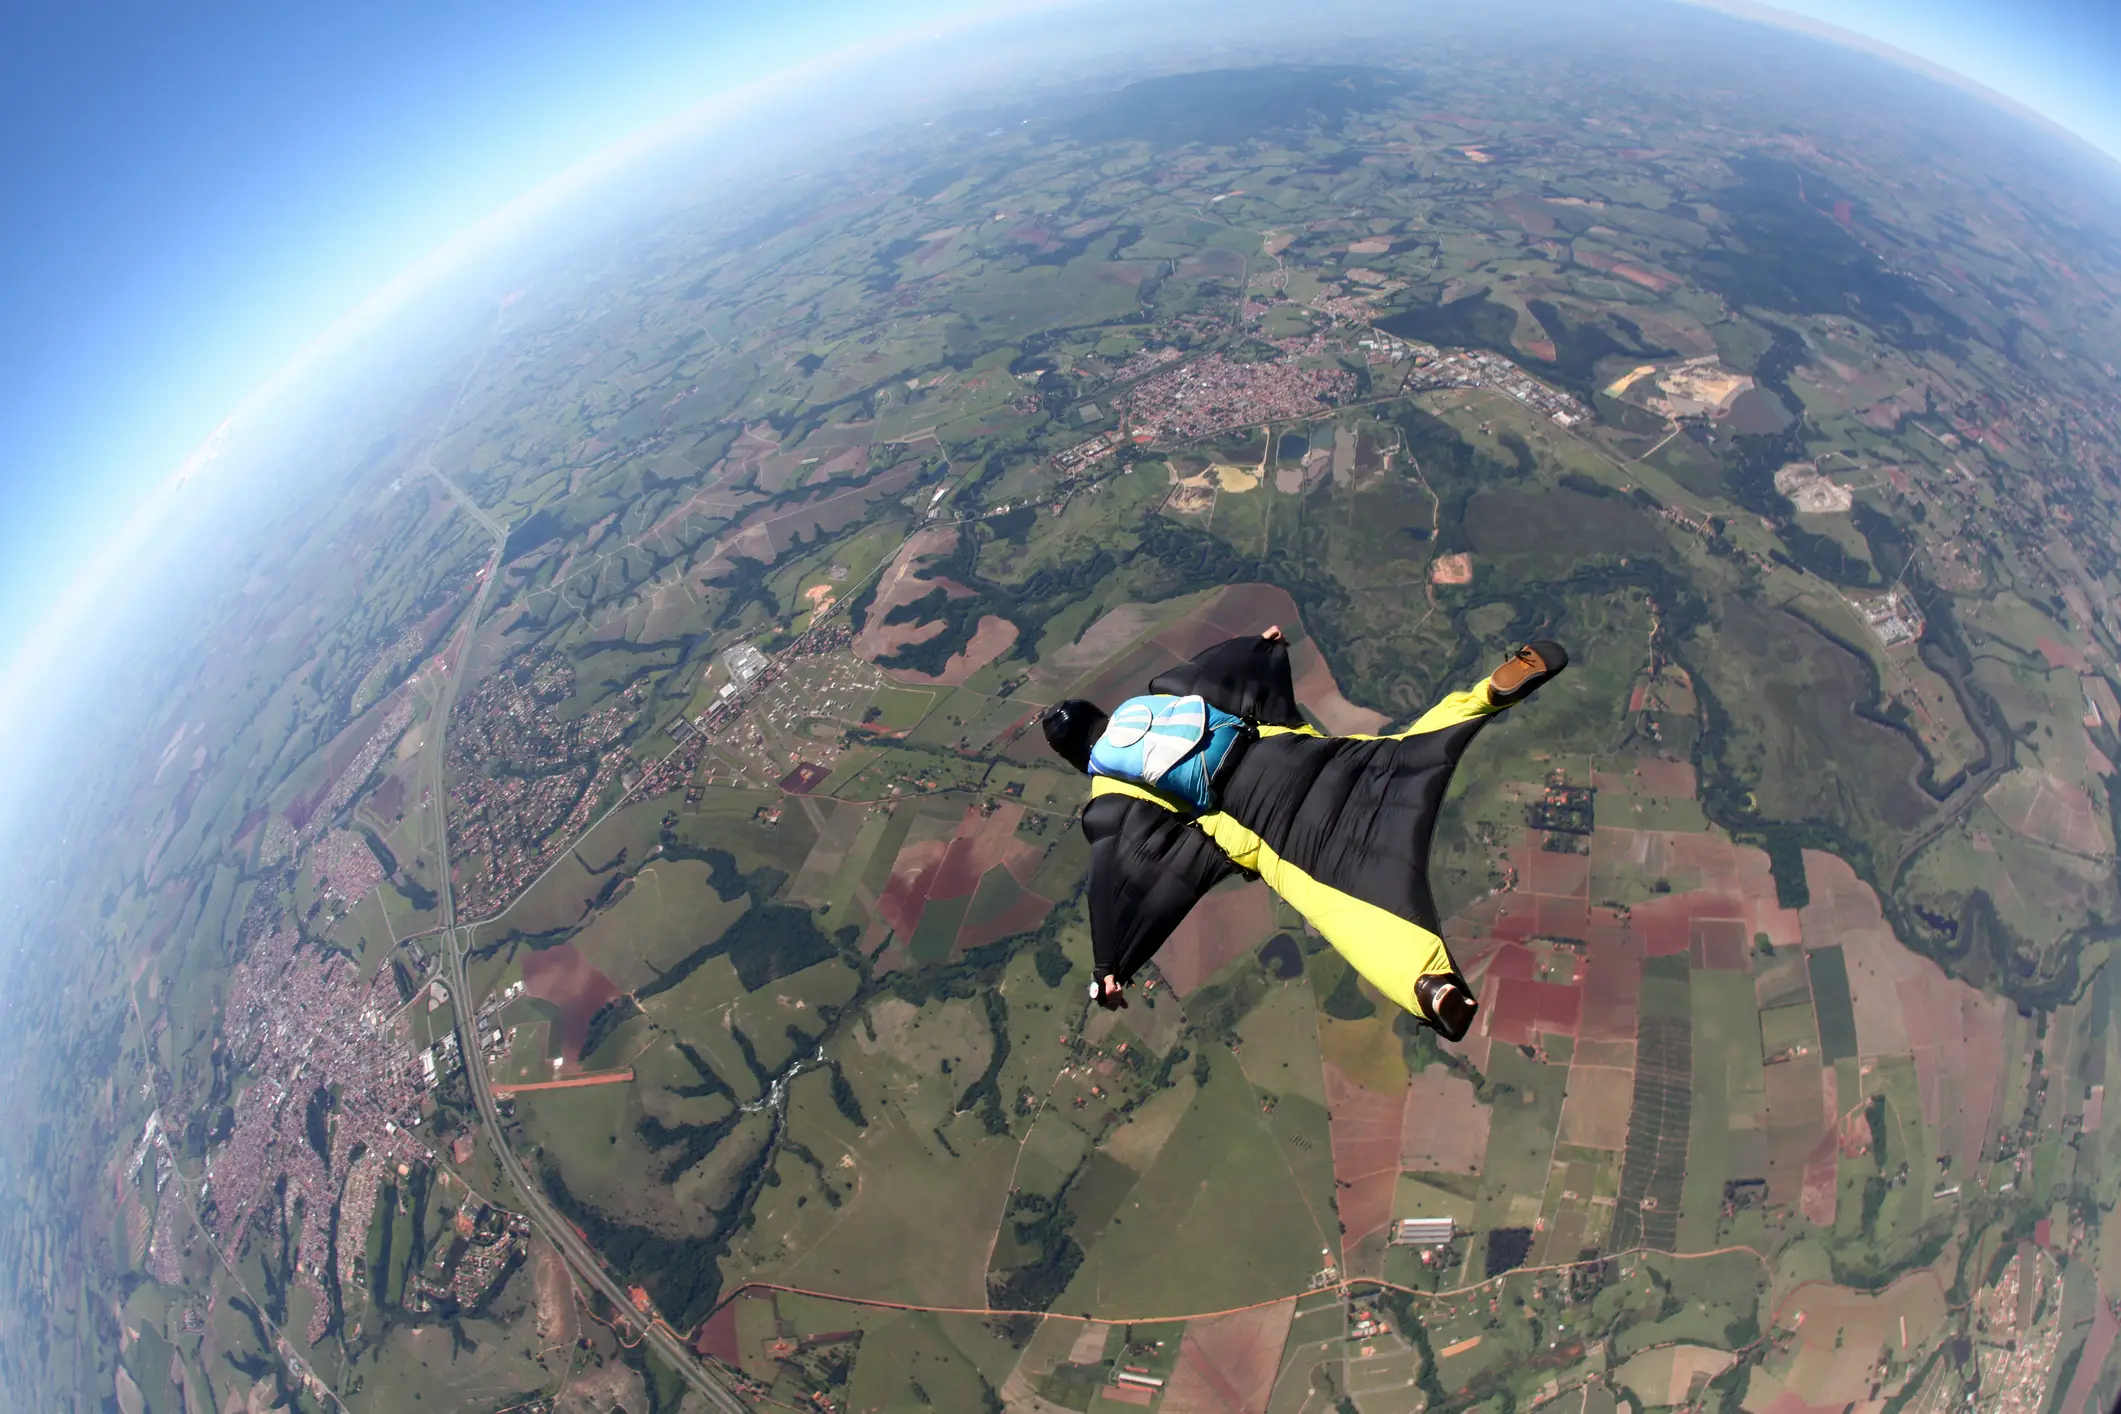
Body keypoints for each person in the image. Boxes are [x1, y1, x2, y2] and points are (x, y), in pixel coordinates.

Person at [1041, 627, 1567, 1041]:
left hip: (1273, 832)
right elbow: (1219, 667)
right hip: (1296, 756)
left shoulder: (1109, 791)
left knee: (1354, 912)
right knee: (1408, 751)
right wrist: (1264, 646)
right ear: (1099, 714)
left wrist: (1110, 965)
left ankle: (1429, 986)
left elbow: (1112, 871)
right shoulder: (1155, 698)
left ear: (1072, 756)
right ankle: (1485, 696)